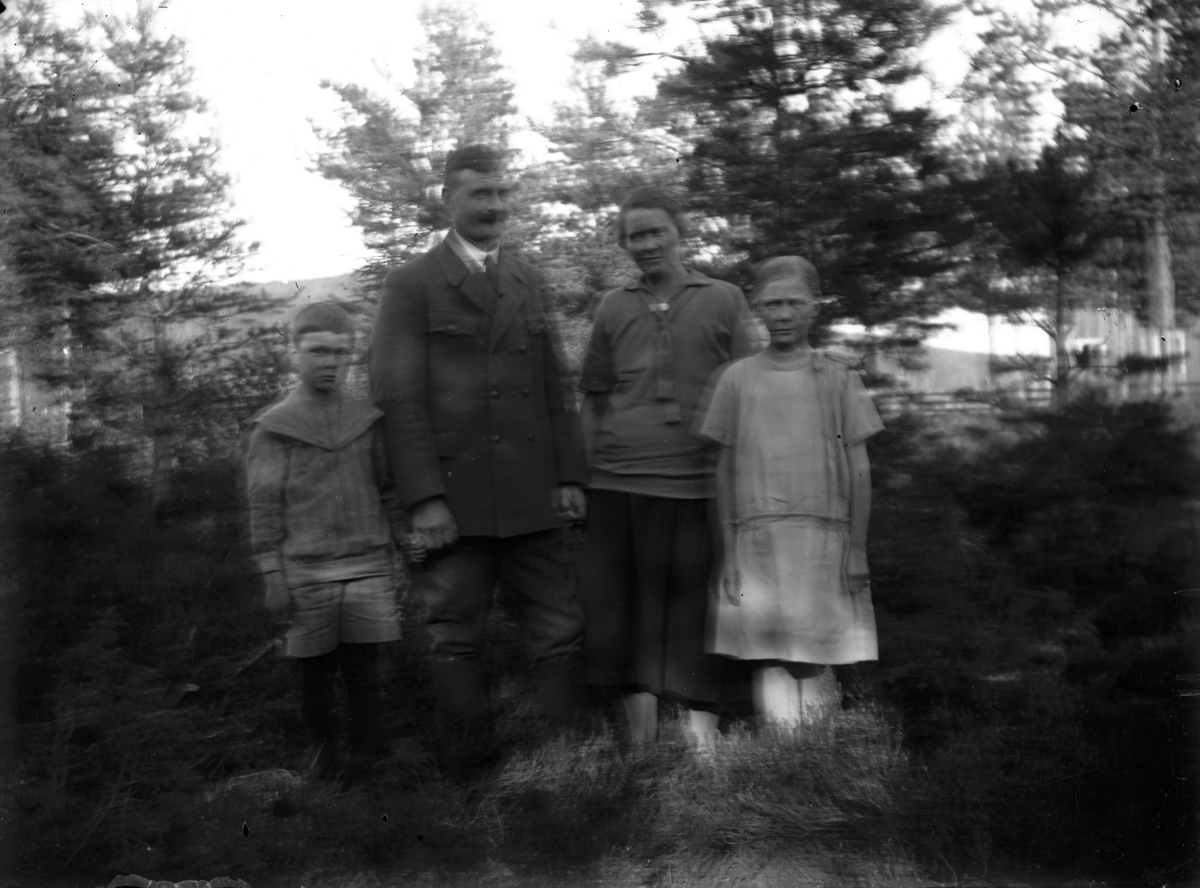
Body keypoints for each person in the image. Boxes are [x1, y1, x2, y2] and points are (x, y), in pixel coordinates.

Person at [369, 144, 590, 751]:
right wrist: (423, 499)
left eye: (501, 194)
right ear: (449, 200)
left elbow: (554, 386)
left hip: (531, 497)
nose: (494, 206)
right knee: (454, 636)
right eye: (479, 194)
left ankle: (575, 767)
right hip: (453, 502)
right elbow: (395, 398)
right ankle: (469, 775)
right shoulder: (412, 283)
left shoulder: (527, 279)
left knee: (559, 630)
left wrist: (569, 476)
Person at [578, 186, 756, 753]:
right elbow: (594, 400)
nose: (648, 243)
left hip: (699, 485)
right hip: (618, 482)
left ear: (680, 232)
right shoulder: (613, 305)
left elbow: (749, 392)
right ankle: (643, 747)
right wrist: (584, 479)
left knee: (697, 613)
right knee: (626, 615)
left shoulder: (723, 298)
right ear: (624, 243)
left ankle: (703, 749)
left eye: (657, 231)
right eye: (636, 236)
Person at [695, 256, 884, 726]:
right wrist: (728, 553)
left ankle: (815, 757)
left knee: (817, 655)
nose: (782, 314)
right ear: (756, 307)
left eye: (794, 303)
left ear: (815, 307)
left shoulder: (838, 377)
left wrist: (857, 549)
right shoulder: (737, 379)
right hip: (757, 539)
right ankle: (783, 757)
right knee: (768, 654)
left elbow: (859, 467)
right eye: (772, 303)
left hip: (823, 538)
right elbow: (723, 472)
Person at [246, 302, 422, 785]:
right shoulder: (275, 426)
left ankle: (365, 764)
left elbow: (387, 489)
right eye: (318, 351)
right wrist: (273, 573)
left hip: (367, 566)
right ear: (296, 354)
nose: (330, 363)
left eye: (340, 353)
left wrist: (404, 542)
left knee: (365, 673)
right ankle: (324, 760)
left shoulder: (366, 419)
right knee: (315, 673)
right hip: (306, 571)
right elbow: (264, 504)